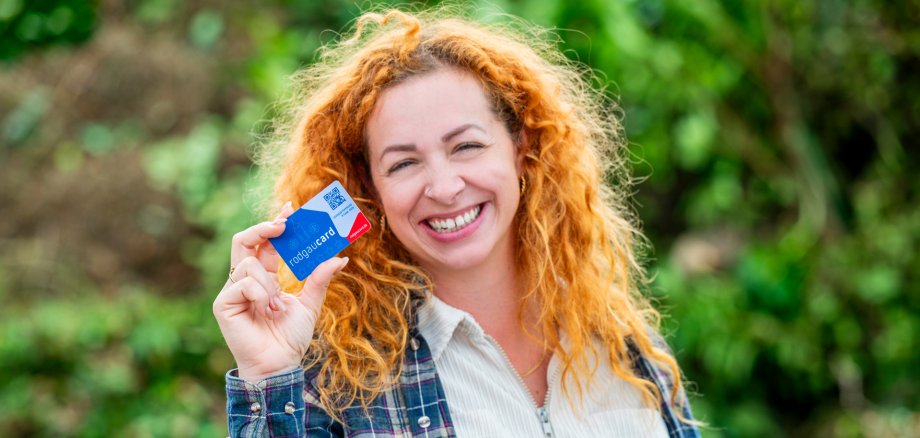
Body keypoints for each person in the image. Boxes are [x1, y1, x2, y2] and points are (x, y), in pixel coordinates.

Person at [213, 8, 700, 437]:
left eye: (467, 146)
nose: (444, 188)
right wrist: (267, 377)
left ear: (521, 148)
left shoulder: (623, 347)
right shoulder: (339, 381)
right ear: (370, 188)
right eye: (404, 163)